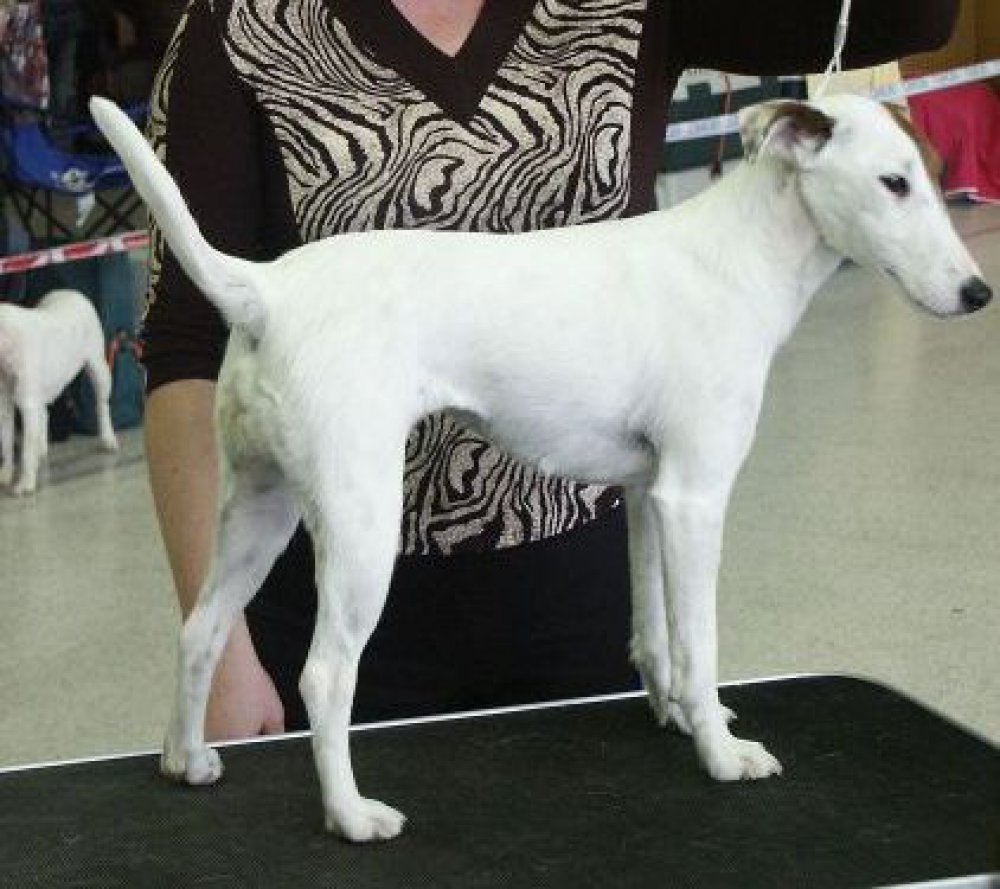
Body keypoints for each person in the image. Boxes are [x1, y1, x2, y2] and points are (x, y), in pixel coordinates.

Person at [142, 0, 958, 740]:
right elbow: (186, 349)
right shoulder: (240, 28)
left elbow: (907, 19)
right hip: (334, 607)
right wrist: (223, 655)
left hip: (581, 606)